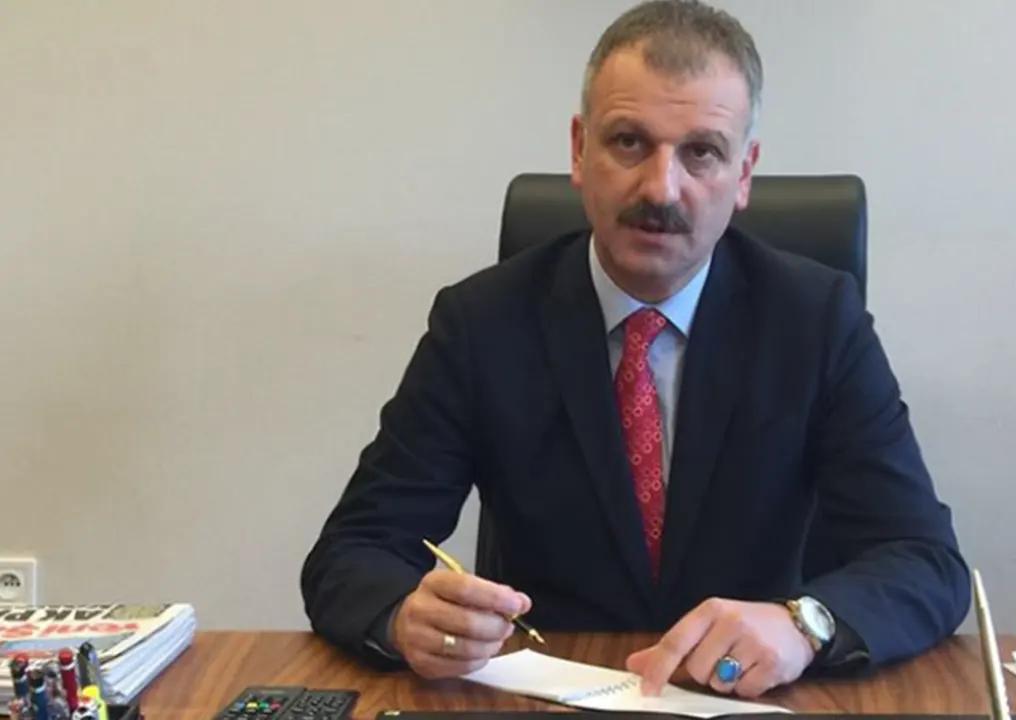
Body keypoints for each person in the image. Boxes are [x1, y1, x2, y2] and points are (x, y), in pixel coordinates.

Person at [302, 0, 969, 699]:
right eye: (628, 142)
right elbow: (353, 551)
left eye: (701, 152)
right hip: (551, 692)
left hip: (750, 695)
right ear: (578, 151)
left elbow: (924, 559)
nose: (660, 188)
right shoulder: (481, 323)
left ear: (744, 173)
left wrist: (805, 625)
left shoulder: (817, 319)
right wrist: (403, 615)